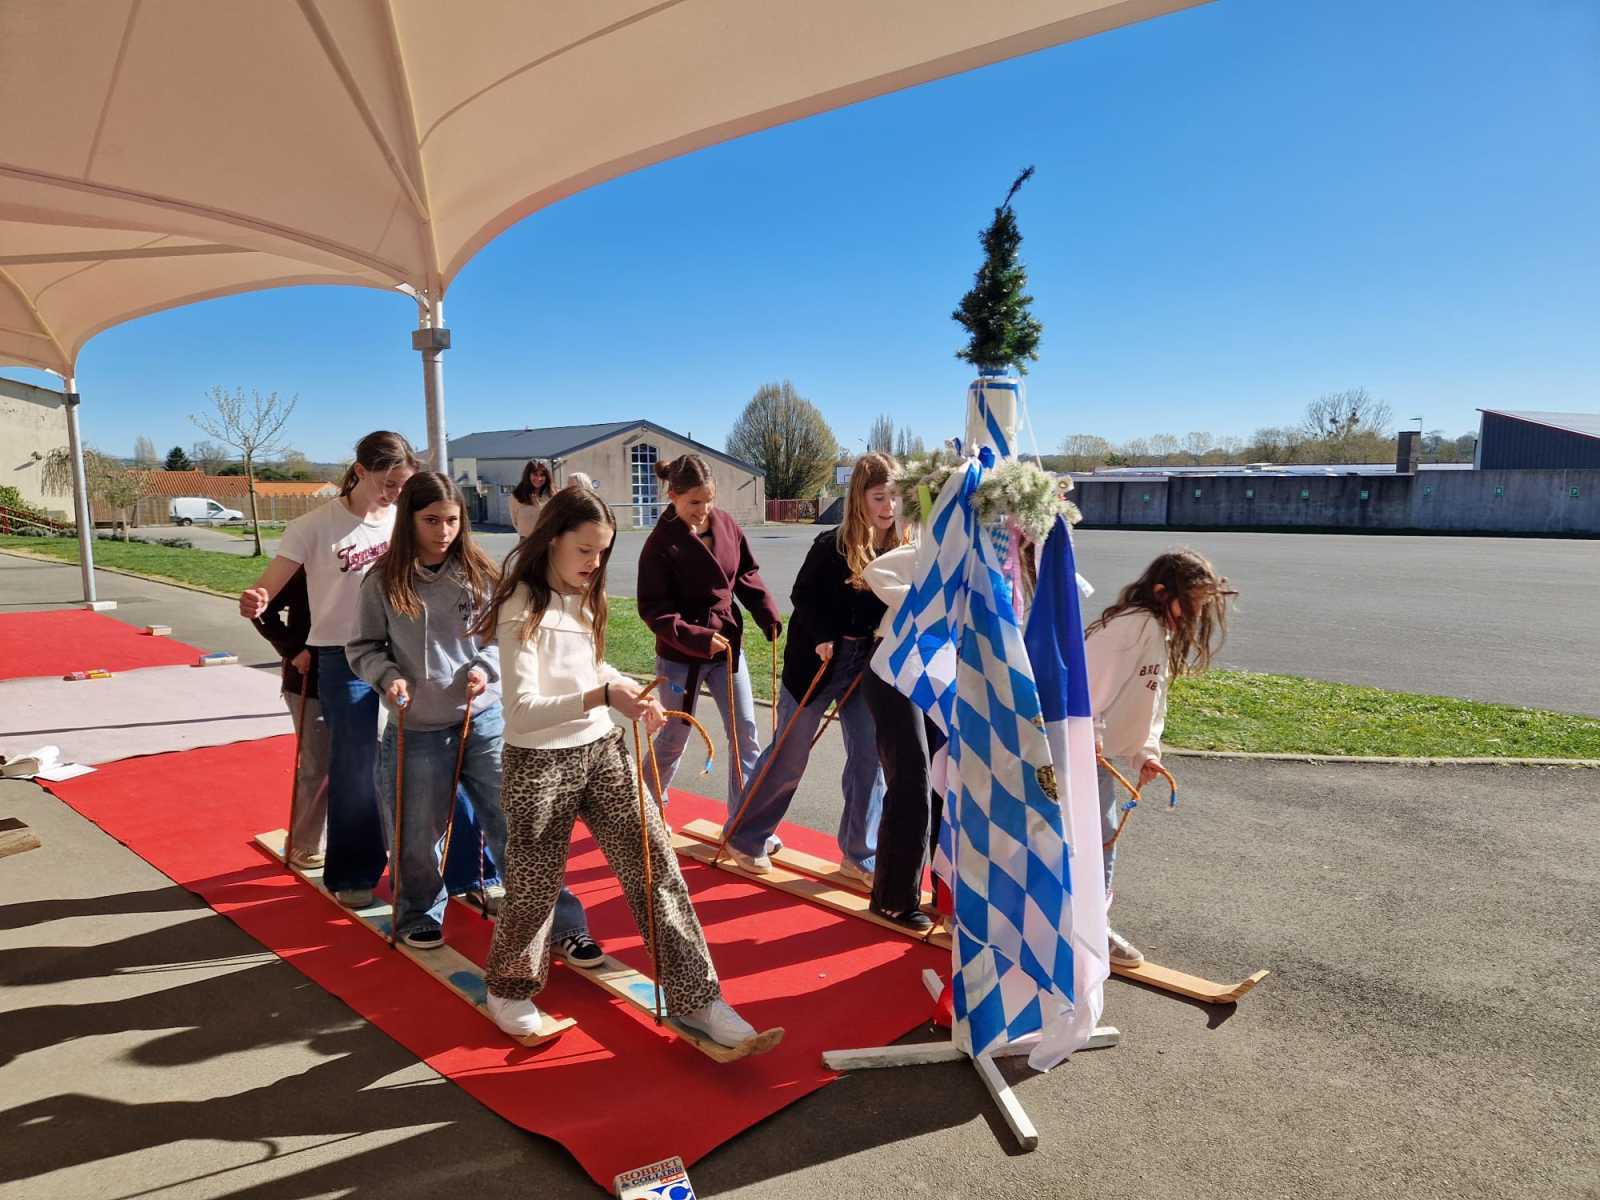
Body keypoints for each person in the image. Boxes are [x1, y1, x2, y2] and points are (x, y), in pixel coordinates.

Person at [475, 488, 777, 1054]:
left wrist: (626, 689)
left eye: (602, 552)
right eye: (584, 550)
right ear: (552, 538)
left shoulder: (586, 596)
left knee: (656, 863)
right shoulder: (522, 601)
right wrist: (603, 695)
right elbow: (521, 709)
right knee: (535, 884)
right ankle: (509, 988)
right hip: (539, 760)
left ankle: (698, 998)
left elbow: (592, 666)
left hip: (602, 749)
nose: (595, 563)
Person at [346, 473, 602, 963]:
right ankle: (418, 913)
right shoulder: (381, 580)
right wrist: (388, 676)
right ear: (408, 520)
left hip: (483, 721)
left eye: (451, 520)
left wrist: (485, 669)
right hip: (417, 726)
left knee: (521, 826)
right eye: (431, 520)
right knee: (415, 833)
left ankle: (561, 922)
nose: (443, 531)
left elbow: (502, 636)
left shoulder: (480, 572)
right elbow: (363, 647)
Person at [240, 431, 419, 907]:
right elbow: (268, 587)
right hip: (341, 654)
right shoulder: (314, 526)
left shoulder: (405, 521)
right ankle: (354, 872)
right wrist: (257, 598)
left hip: (403, 650)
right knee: (354, 766)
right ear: (360, 471)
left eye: (403, 484)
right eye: (388, 483)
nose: (395, 493)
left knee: (415, 761)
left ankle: (419, 864)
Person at [720, 454, 903, 880]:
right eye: (879, 497)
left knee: (870, 756)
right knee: (790, 754)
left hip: (866, 664)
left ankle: (860, 851)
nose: (889, 507)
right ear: (859, 498)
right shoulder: (830, 545)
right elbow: (803, 595)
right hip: (817, 662)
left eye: (895, 497)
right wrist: (822, 635)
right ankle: (744, 836)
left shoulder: (900, 547)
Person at [1085, 548, 1234, 967]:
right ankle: (1090, 930)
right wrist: (1090, 737)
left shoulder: (1155, 629)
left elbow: (1151, 703)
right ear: (1162, 591)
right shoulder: (1132, 627)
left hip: (1093, 755)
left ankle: (1080, 925)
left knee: (1095, 840)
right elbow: (1086, 686)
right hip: (1077, 752)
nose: (1198, 611)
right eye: (1194, 600)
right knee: (1097, 840)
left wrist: (1145, 753)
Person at [637, 453, 781, 817]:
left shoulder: (727, 525)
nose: (703, 510)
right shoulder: (658, 545)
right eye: (694, 503)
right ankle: (646, 808)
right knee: (675, 735)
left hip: (727, 648)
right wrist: (696, 637)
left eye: (709, 500)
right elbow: (654, 609)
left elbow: (745, 573)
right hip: (680, 655)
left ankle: (743, 824)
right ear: (672, 496)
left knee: (745, 732)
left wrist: (765, 612)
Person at [860, 537, 947, 932]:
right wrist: (926, 605)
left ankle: (946, 893)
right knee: (913, 780)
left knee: (945, 781)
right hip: (896, 668)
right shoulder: (940, 543)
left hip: (939, 672)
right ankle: (892, 898)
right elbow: (875, 571)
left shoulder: (995, 557)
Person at [250, 566, 328, 870]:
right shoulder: (304, 568)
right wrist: (293, 649)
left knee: (370, 762)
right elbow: (261, 609)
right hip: (309, 679)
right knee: (318, 763)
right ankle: (306, 842)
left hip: (364, 676)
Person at [508, 459, 553, 539]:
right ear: (528, 475)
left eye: (542, 475)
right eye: (535, 474)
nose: (539, 478)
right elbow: (515, 522)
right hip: (526, 541)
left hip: (548, 541)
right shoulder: (516, 496)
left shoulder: (552, 494)